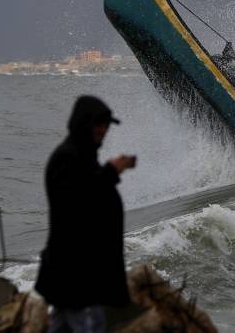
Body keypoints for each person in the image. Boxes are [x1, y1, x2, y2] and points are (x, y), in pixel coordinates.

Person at [35, 95, 136, 333]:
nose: (104, 130)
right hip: (74, 271)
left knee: (64, 325)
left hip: (84, 271)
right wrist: (111, 171)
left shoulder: (82, 157)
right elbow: (80, 201)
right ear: (84, 123)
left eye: (106, 125)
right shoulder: (66, 158)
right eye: (98, 124)